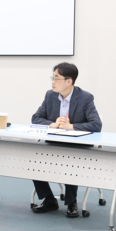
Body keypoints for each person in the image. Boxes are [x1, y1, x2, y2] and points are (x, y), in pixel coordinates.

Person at [31, 62, 102, 217]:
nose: (53, 82)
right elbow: (35, 118)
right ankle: (49, 199)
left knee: (70, 161)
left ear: (68, 81)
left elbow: (96, 125)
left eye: (56, 78)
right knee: (33, 161)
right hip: (54, 143)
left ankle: (71, 202)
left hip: (77, 146)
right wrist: (53, 124)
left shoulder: (85, 98)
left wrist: (70, 126)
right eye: (52, 77)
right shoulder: (50, 95)